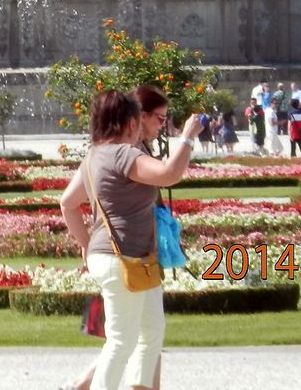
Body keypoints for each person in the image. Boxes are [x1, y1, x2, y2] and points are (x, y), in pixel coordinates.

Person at [60, 91, 202, 390]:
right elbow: (168, 174)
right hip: (124, 257)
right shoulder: (124, 153)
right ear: (128, 123)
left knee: (150, 331)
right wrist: (187, 138)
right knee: (122, 341)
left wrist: (87, 244)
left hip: (123, 257)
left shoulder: (94, 156)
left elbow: (67, 203)